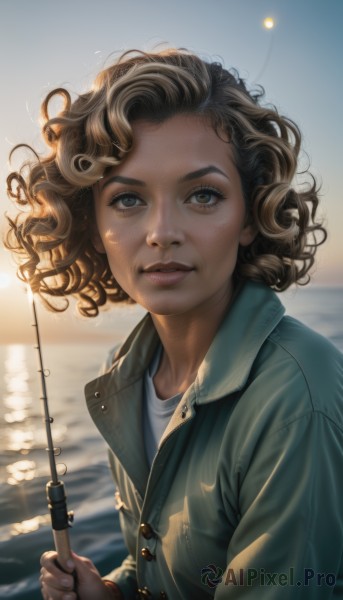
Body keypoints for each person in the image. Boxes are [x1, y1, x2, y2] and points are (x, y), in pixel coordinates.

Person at [4, 49, 343, 599]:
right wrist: (112, 591)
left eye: (202, 195)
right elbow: (161, 568)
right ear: (94, 227)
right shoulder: (126, 374)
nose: (162, 232)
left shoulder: (297, 396)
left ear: (250, 217)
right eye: (129, 198)